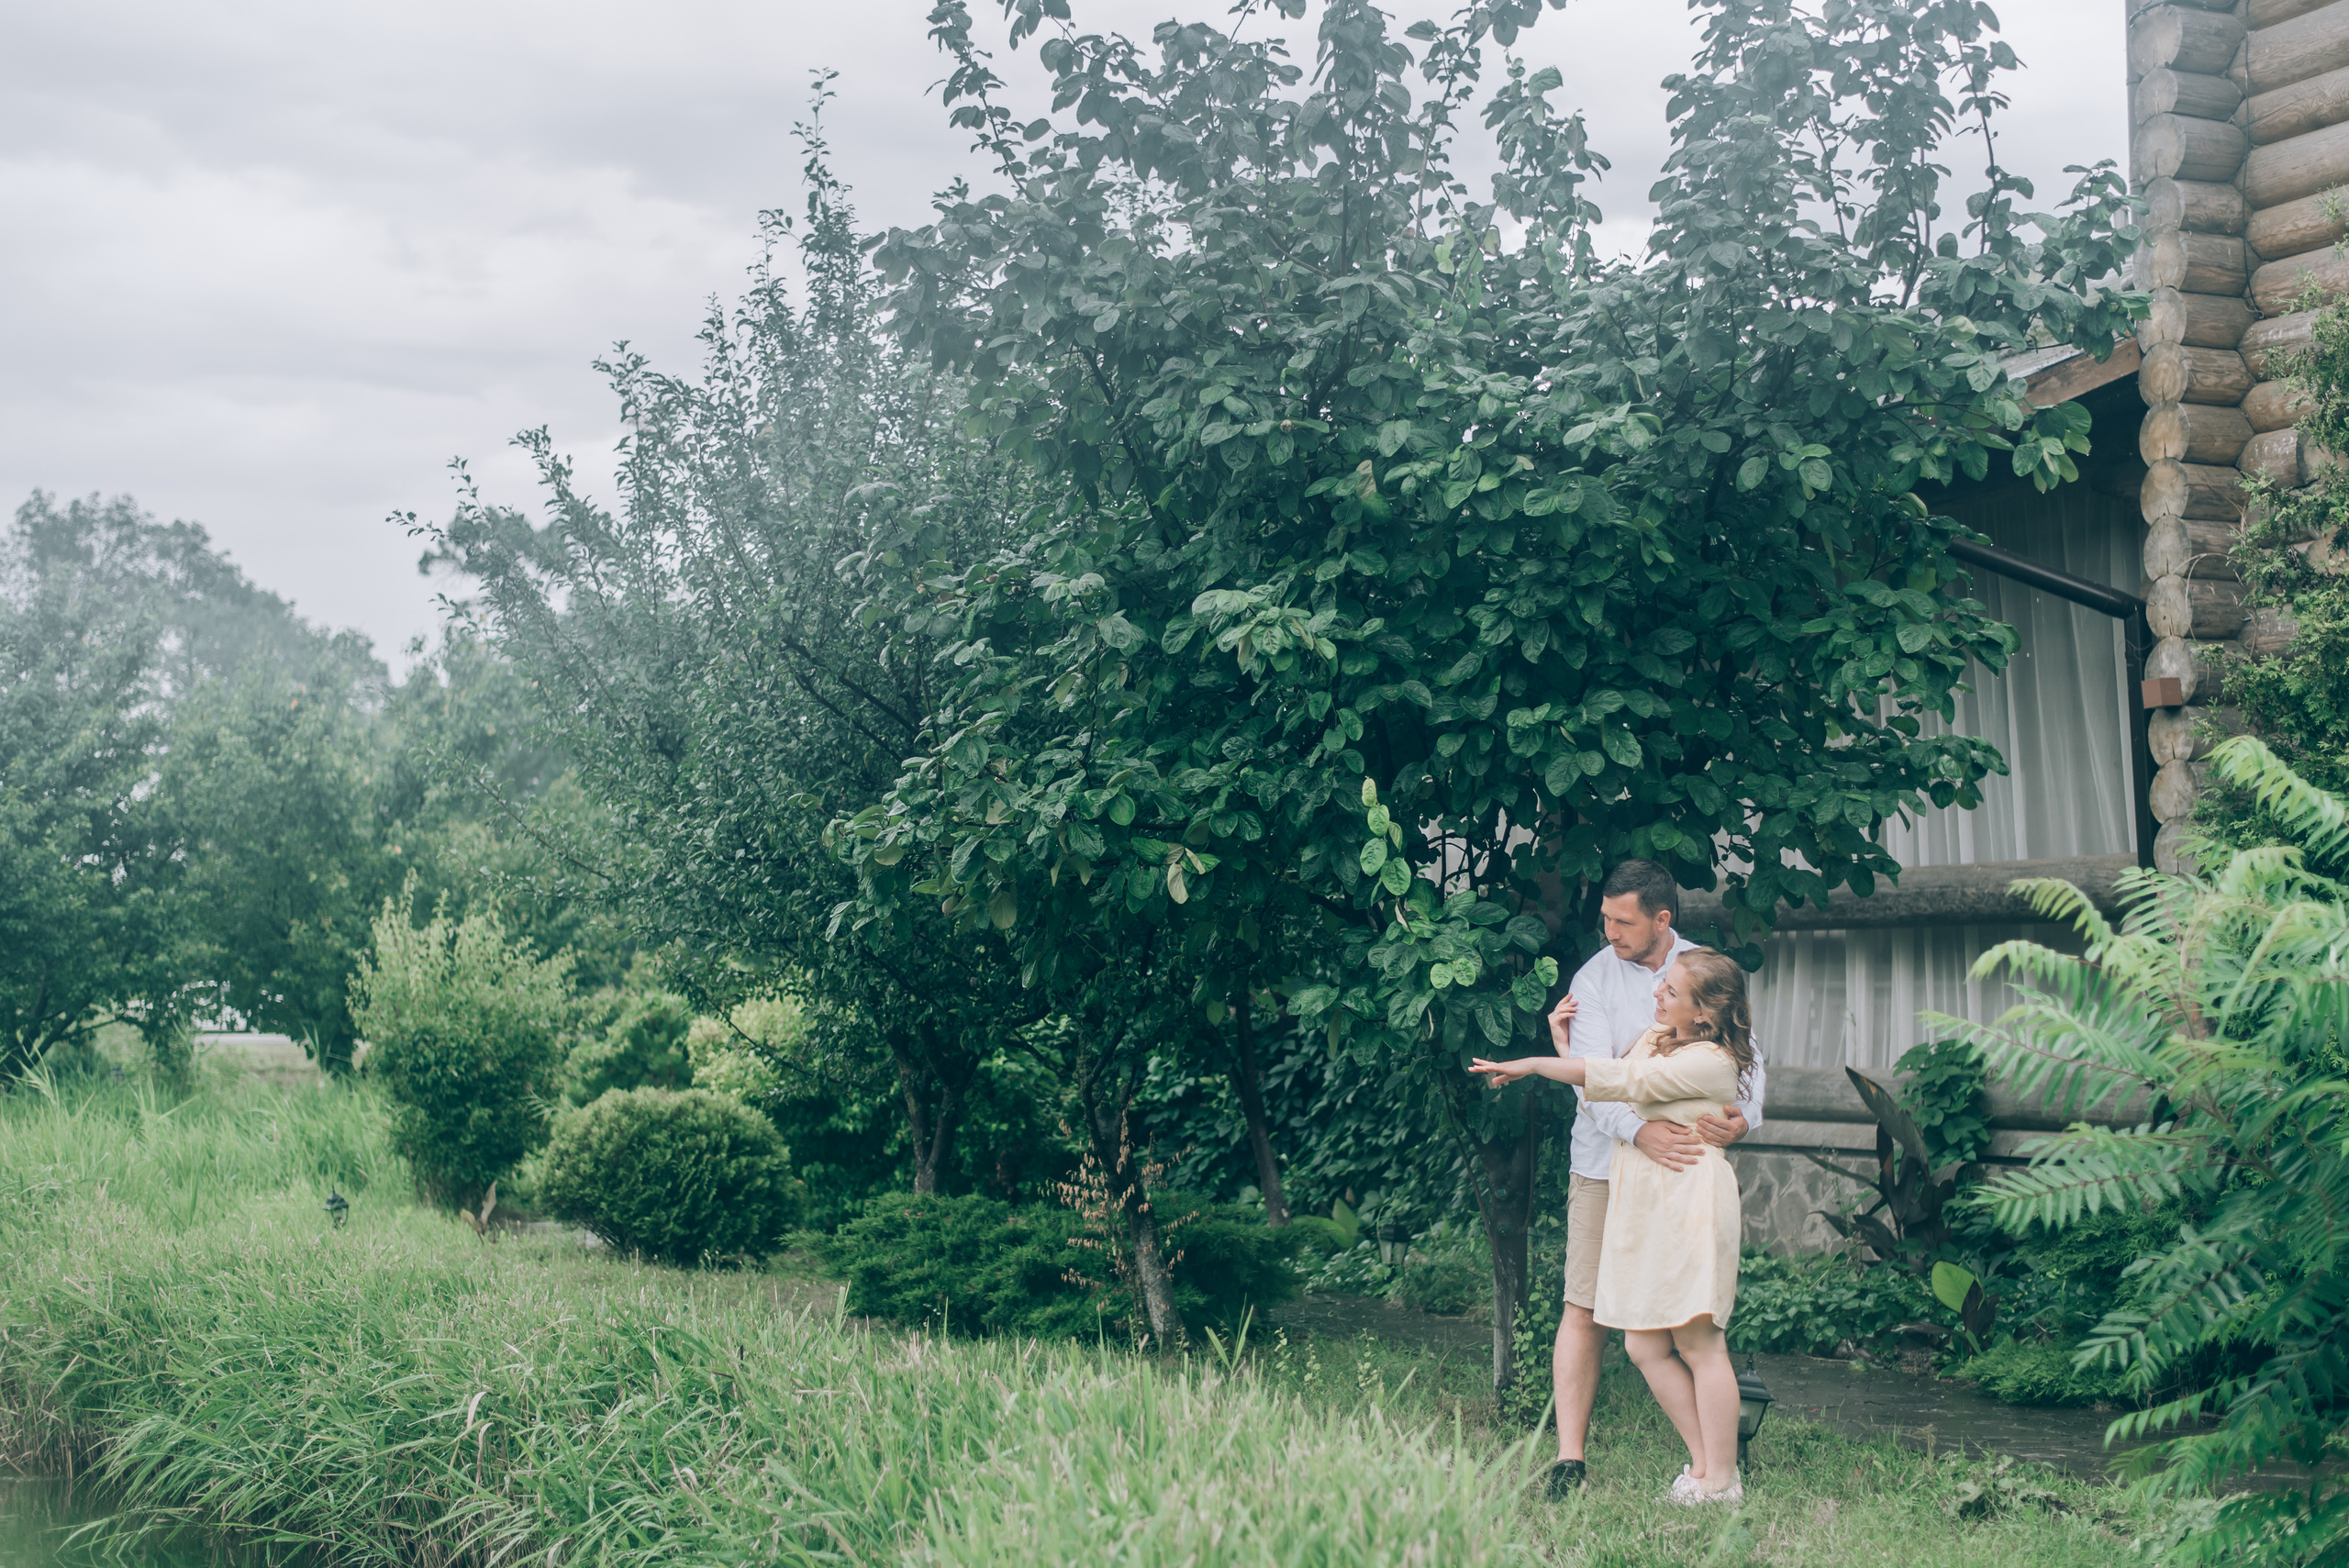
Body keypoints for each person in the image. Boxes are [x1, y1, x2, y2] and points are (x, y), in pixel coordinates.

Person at [1470, 946, 1759, 1504]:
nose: (1657, 993)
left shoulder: (1710, 1061)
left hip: (1689, 1202)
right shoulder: (1660, 1038)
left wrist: (1533, 1063)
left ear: (1703, 1012)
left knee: (1700, 1343)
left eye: (1670, 990)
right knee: (1644, 1346)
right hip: (1649, 1204)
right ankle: (1704, 1467)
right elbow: (1601, 1083)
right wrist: (1563, 1049)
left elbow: (1622, 1080)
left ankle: (1723, 1479)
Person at [1545, 861, 1765, 1496]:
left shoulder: (1701, 973)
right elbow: (1598, 1077)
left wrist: (1742, 1120)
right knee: (1586, 1306)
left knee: (1688, 1328)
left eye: (1622, 921)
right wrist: (1638, 1131)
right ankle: (1570, 1460)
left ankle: (1714, 1469)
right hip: (1604, 1165)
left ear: (1661, 919)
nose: (1609, 931)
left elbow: (1747, 1061)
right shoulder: (1593, 978)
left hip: (1681, 1174)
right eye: (1605, 918)